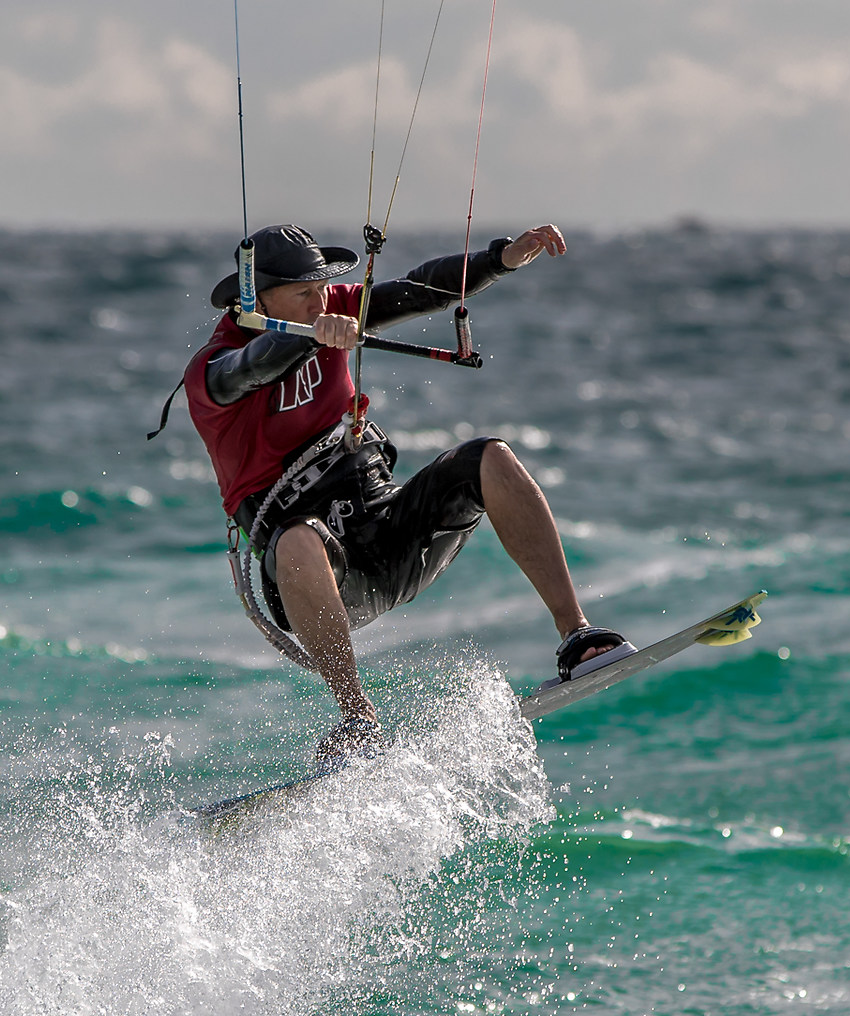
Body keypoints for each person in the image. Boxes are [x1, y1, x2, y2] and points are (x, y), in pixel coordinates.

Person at [179, 223, 628, 762]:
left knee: (491, 458)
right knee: (299, 540)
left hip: (387, 529)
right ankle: (357, 718)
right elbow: (246, 370)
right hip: (315, 574)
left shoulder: (331, 310)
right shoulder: (209, 373)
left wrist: (501, 259)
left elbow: (416, 289)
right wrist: (304, 337)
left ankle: (576, 636)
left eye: (323, 286)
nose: (322, 299)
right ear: (253, 298)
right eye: (304, 292)